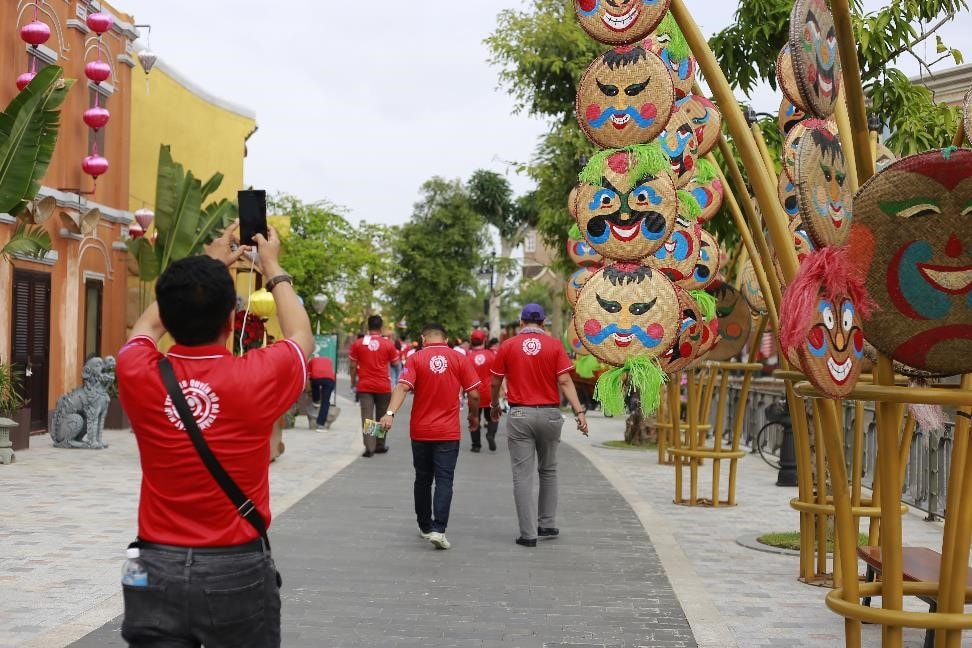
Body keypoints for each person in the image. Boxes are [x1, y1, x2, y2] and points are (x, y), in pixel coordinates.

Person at [116, 221, 313, 647]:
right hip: (235, 568)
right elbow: (300, 335)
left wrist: (209, 261)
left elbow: (146, 330)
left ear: (168, 314)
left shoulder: (137, 371)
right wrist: (272, 265)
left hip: (152, 566)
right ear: (230, 317)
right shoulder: (255, 376)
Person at [490, 303, 589, 548]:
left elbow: (495, 381)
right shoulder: (555, 345)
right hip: (550, 414)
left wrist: (494, 405)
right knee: (549, 470)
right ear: (543, 323)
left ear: (521, 323)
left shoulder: (508, 345)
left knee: (522, 476)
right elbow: (565, 381)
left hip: (520, 413)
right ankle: (547, 523)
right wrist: (579, 411)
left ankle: (528, 534)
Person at [380, 322, 480, 550]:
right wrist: (474, 417)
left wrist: (389, 413)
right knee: (444, 480)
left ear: (424, 338)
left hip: (421, 430)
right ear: (446, 339)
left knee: (423, 479)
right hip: (448, 432)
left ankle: (424, 525)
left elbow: (402, 387)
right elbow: (474, 394)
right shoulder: (459, 359)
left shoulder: (415, 359)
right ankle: (438, 529)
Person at [349, 315, 400, 457]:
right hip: (383, 385)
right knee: (381, 416)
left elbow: (353, 366)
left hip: (365, 385)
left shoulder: (358, 344)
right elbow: (396, 364)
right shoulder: (388, 344)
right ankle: (380, 445)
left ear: (368, 326)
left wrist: (353, 381)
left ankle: (369, 447)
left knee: (367, 416)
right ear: (381, 327)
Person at [466, 330, 498, 452]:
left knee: (474, 417)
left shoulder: (467, 357)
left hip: (474, 392)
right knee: (492, 417)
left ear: (471, 341)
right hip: (489, 392)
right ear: (484, 340)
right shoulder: (491, 355)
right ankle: (490, 434)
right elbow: (497, 374)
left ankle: (476, 445)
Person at [308, 354, 336, 430]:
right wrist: (353, 383)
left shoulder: (312, 361)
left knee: (368, 413)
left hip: (365, 388)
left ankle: (316, 401)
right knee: (369, 415)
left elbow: (309, 375)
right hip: (369, 388)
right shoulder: (328, 360)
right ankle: (321, 424)